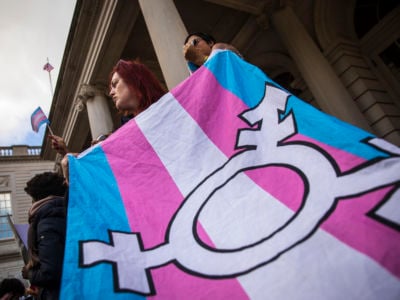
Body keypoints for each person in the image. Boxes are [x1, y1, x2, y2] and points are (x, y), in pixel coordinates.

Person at [52, 59, 166, 184]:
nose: (111, 92)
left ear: (135, 81)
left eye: (115, 84)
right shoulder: (126, 131)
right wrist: (70, 157)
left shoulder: (171, 110)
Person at [22, 172, 67, 300]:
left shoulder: (49, 218)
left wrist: (29, 273)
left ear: (37, 198)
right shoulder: (61, 212)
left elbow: (52, 272)